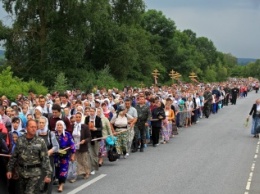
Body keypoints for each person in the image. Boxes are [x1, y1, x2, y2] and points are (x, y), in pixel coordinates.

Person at [6, 120, 52, 194]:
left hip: (34, 173)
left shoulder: (40, 141)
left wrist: (48, 174)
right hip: (21, 172)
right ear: (27, 128)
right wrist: (9, 169)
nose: (34, 129)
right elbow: (14, 156)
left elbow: (45, 159)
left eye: (35, 127)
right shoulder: (20, 140)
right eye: (32, 127)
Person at [37, 116, 59, 194]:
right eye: (40, 122)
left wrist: (49, 152)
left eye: (43, 123)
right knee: (38, 180)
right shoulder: (36, 133)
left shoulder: (50, 134)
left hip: (48, 160)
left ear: (46, 123)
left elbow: (56, 146)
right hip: (38, 161)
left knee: (48, 179)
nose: (41, 124)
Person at [54, 120, 75, 192]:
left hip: (65, 155)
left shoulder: (67, 134)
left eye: (61, 125)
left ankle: (61, 185)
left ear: (63, 126)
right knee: (56, 170)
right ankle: (58, 181)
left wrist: (73, 154)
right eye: (58, 125)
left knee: (63, 170)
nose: (59, 126)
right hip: (55, 156)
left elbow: (72, 145)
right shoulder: (53, 134)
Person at [71, 112, 91, 181]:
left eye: (79, 117)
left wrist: (84, 140)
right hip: (75, 145)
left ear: (81, 118)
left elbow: (89, 137)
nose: (78, 118)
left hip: (83, 146)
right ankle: (79, 172)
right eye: (76, 117)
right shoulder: (73, 126)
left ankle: (87, 172)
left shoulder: (84, 126)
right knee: (77, 160)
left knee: (84, 160)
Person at [84, 107, 102, 175]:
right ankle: (91, 168)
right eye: (90, 111)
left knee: (95, 153)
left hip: (96, 137)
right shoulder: (87, 118)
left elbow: (101, 128)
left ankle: (95, 166)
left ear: (95, 112)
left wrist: (96, 129)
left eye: (93, 111)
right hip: (89, 137)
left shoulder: (98, 119)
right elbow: (85, 126)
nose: (91, 113)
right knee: (90, 153)